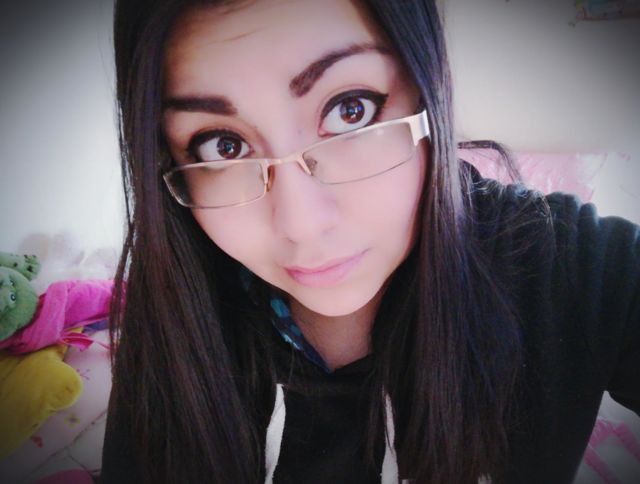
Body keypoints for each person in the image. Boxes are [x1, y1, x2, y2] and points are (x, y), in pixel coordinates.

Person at [101, 0, 640, 483]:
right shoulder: (176, 307)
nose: (302, 225)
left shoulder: (572, 268)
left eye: (350, 110)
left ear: (427, 89)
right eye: (223, 146)